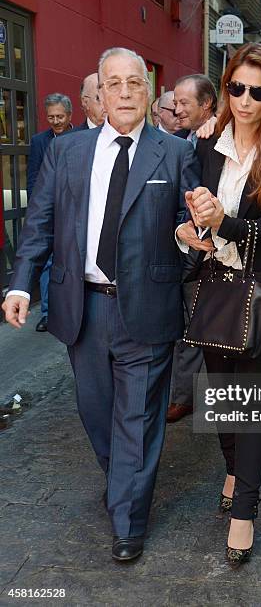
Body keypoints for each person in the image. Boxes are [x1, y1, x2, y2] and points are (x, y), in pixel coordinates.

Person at [2, 47, 207, 562]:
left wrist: (192, 233)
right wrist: (21, 284)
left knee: (136, 416)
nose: (123, 93)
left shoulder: (175, 152)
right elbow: (40, 225)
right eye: (112, 84)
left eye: (133, 83)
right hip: (83, 308)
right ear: (97, 95)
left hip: (147, 308)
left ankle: (128, 521)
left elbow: (193, 225)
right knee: (97, 415)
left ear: (147, 91)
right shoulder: (68, 152)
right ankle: (123, 482)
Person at [177, 42, 261, 567]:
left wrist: (222, 223)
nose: (246, 99)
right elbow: (191, 211)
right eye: (237, 88)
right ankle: (232, 468)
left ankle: (244, 513)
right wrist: (191, 228)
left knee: (250, 407)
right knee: (222, 397)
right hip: (215, 288)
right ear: (225, 88)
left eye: (258, 90)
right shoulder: (206, 145)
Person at [167, 74, 218, 423]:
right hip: (179, 248)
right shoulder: (180, 139)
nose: (177, 108)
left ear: (207, 105)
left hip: (202, 252)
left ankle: (187, 397)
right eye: (175, 102)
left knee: (198, 328)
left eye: (185, 102)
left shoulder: (214, 139)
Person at [27, 93, 73, 333]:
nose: (55, 121)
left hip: (74, 212)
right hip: (49, 212)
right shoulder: (39, 141)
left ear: (70, 116)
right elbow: (34, 177)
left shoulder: (81, 137)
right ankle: (47, 313)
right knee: (46, 263)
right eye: (51, 117)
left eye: (60, 116)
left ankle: (70, 311)